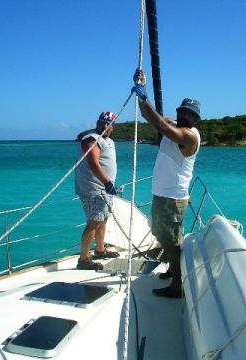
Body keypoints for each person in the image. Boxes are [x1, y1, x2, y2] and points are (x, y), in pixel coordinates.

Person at [132, 70, 201, 298]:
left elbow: (161, 127)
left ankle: (177, 287)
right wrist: (142, 86)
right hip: (162, 194)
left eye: (189, 114)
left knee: (171, 242)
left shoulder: (189, 136)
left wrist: (144, 98)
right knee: (162, 236)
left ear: (195, 120)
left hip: (173, 198)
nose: (184, 115)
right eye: (182, 111)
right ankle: (172, 270)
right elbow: (153, 118)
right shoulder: (174, 125)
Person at [75, 111, 120, 270]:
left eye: (107, 123)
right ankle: (84, 259)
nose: (104, 125)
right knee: (93, 222)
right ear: (97, 122)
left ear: (112, 126)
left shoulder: (107, 140)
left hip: (104, 189)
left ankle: (100, 250)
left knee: (103, 219)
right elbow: (93, 162)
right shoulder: (92, 139)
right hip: (94, 188)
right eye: (101, 122)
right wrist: (107, 182)